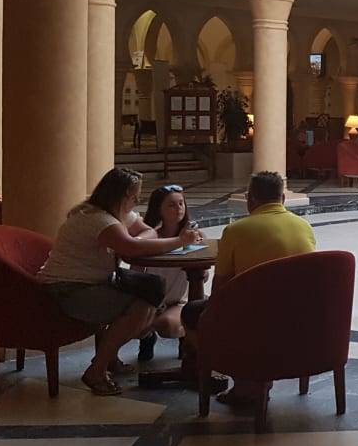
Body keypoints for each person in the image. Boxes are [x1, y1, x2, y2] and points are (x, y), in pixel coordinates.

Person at [37, 168, 202, 396]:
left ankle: (110, 357)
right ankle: (97, 370)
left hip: (93, 283)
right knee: (141, 307)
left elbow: (147, 232)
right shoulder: (97, 219)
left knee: (149, 296)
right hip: (68, 289)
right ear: (120, 196)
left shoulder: (117, 215)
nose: (136, 201)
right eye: (133, 196)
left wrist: (136, 240)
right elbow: (131, 249)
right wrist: (179, 242)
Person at [181, 171, 316, 407]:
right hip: (299, 318)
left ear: (250, 199)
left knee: (192, 312)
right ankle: (257, 378)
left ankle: (242, 379)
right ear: (283, 198)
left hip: (253, 320)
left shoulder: (236, 231)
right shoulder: (304, 227)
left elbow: (220, 289)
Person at [135, 185, 196, 362]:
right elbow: (136, 272)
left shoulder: (195, 236)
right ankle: (147, 337)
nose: (178, 208)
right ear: (158, 209)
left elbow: (203, 275)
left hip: (179, 300)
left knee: (166, 324)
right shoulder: (151, 237)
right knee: (131, 326)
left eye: (181, 203)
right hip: (152, 300)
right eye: (171, 205)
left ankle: (186, 339)